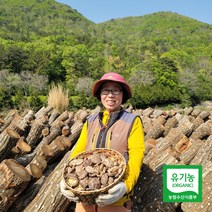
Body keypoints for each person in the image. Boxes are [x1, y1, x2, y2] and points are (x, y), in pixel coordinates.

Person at [60, 72, 145, 212]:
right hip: (85, 199)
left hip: (116, 200)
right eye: (106, 90)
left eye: (116, 90)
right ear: (100, 94)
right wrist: (66, 179)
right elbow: (78, 152)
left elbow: (137, 156)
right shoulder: (90, 121)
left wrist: (125, 185)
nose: (110, 95)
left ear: (123, 95)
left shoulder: (132, 122)